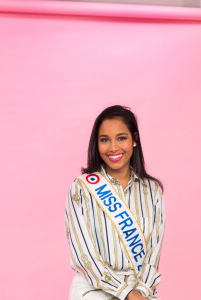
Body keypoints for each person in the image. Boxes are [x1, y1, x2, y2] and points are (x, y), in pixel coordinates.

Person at [65, 105, 165, 300]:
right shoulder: (82, 189)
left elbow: (153, 254)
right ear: (97, 144)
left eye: (121, 138)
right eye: (104, 140)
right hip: (94, 290)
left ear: (134, 139)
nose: (113, 147)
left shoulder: (152, 191)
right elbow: (84, 256)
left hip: (140, 289)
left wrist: (141, 292)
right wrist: (126, 293)